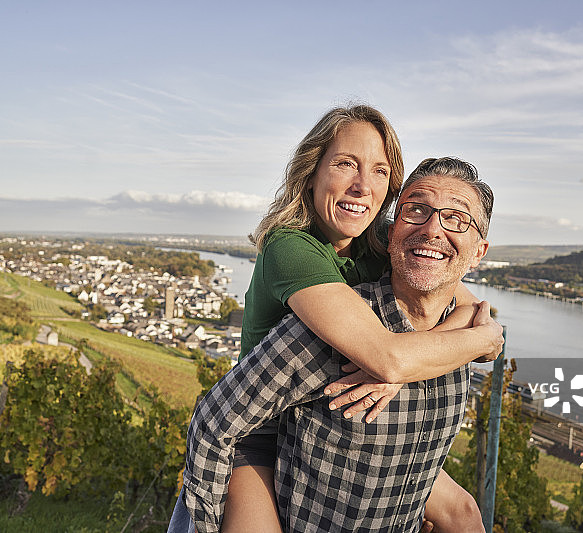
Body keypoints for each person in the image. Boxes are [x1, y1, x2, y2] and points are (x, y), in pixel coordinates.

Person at [169, 106, 502, 532]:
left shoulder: (378, 239)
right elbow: (387, 355)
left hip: (331, 426)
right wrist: (465, 346)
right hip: (262, 431)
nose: (362, 185)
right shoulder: (293, 248)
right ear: (312, 172)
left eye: (380, 171)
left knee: (464, 514)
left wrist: (480, 334)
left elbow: (457, 298)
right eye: (346, 164)